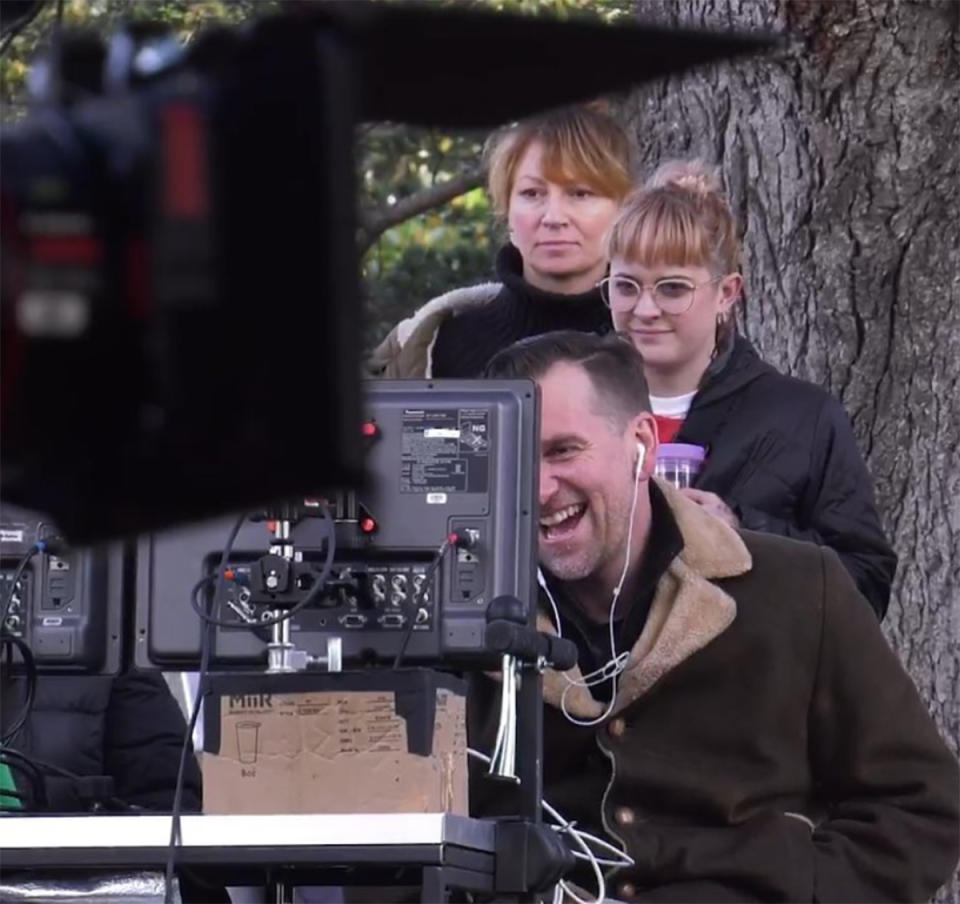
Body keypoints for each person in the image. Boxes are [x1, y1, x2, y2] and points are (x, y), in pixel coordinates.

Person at [474, 330, 959, 903]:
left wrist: (810, 892)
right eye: (515, 457)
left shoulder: (799, 587)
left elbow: (919, 802)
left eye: (562, 450)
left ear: (642, 444)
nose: (539, 487)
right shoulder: (458, 619)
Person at [598, 161, 896, 618]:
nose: (645, 308)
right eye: (626, 286)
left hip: (749, 681)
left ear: (727, 293)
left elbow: (867, 585)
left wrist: (742, 532)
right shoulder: (574, 400)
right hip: (591, 682)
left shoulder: (802, 417)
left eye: (673, 288)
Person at [367, 104, 633, 379]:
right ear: (506, 210)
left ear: (625, 208)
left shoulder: (655, 341)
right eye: (532, 193)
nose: (553, 217)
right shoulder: (437, 349)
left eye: (580, 193)